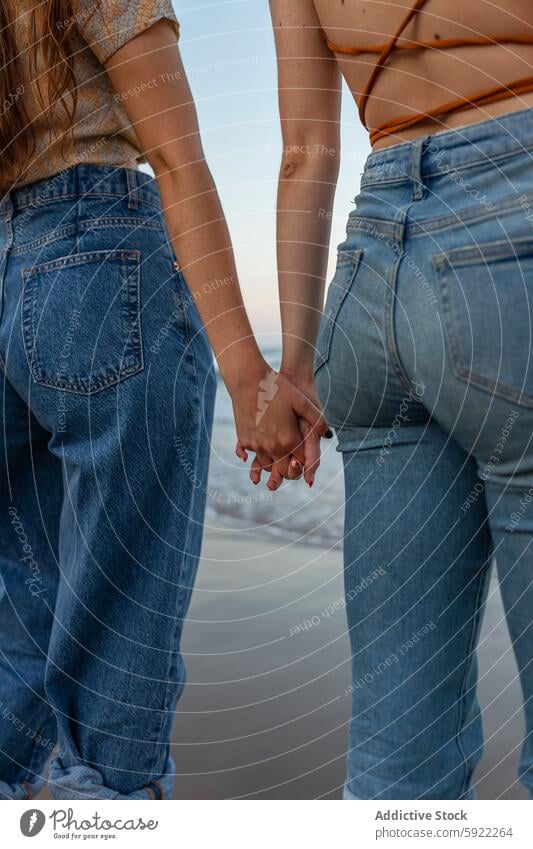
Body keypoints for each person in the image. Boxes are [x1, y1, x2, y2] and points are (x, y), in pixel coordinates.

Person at [0, 1, 328, 801]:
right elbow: (177, 158)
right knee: (116, 670)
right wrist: (251, 371)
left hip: (8, 282)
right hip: (100, 260)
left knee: (17, 636)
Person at [265, 0, 533, 799]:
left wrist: (296, 366)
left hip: (371, 278)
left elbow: (304, 152)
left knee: (396, 761)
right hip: (513, 234)